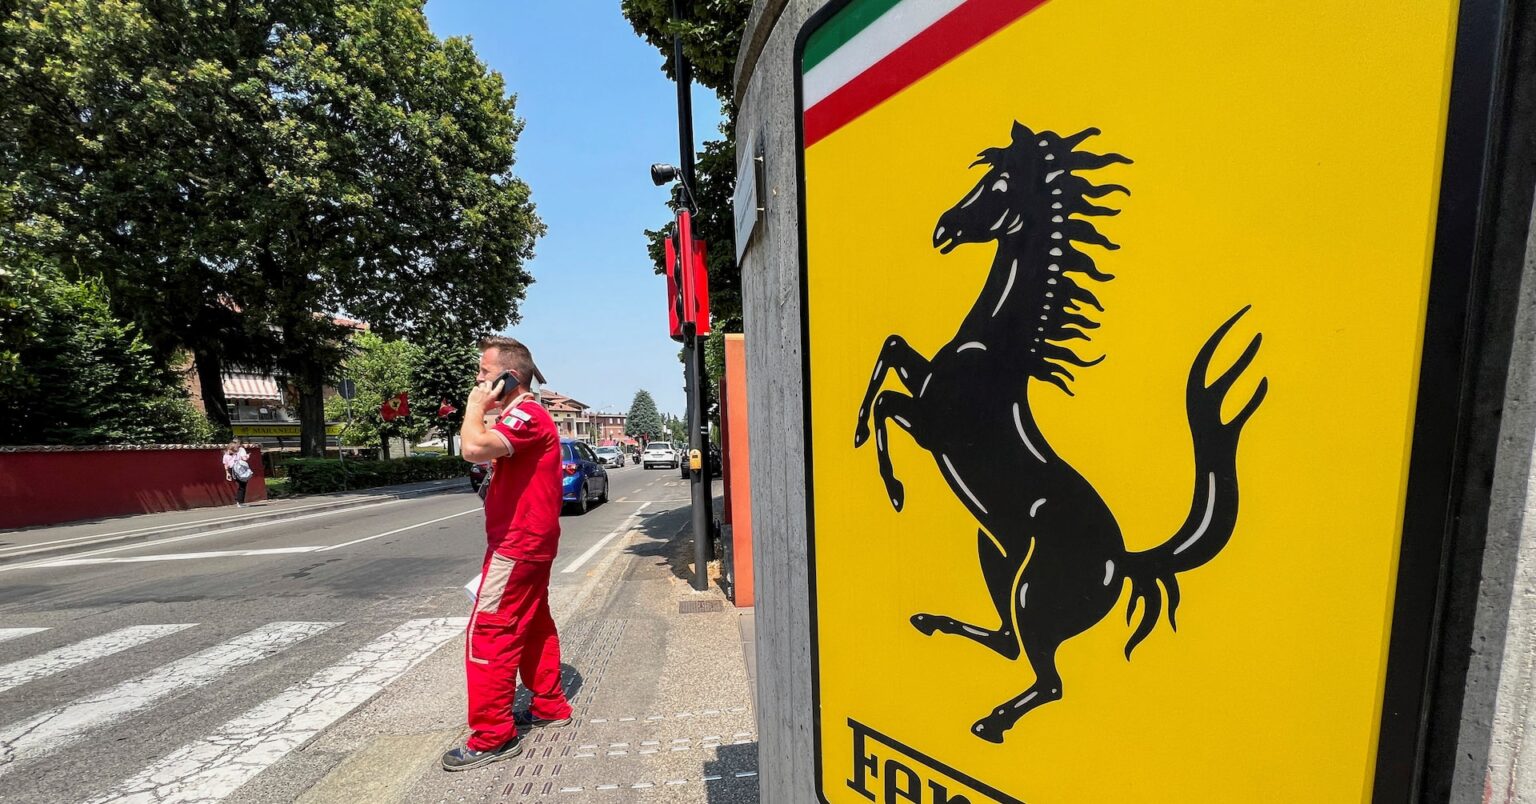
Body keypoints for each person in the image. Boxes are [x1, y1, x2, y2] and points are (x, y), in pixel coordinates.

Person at [441, 336, 573, 772]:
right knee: (533, 623)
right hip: (527, 543)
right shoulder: (522, 416)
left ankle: (493, 736)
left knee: (489, 631)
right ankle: (549, 704)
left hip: (517, 545)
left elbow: (473, 448)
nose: (477, 380)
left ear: (507, 377)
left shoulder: (527, 415)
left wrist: (474, 406)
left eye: (483, 372)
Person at [222, 443, 251, 507]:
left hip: (234, 470)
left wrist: (227, 473)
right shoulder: (227, 456)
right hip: (236, 470)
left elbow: (226, 465)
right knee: (242, 485)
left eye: (236, 451)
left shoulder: (227, 455)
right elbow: (226, 465)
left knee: (242, 485)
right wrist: (227, 473)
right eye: (234, 451)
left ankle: (239, 500)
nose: (235, 452)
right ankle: (240, 502)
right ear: (229, 449)